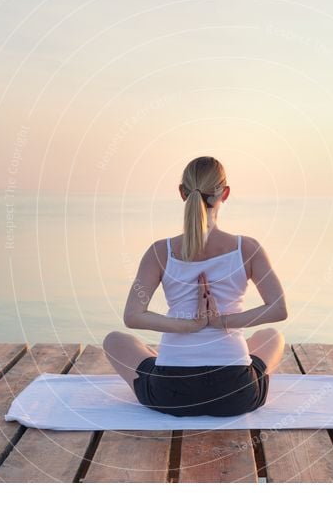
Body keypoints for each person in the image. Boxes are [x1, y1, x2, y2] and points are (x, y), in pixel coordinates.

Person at [103, 155, 287, 417]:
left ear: (182, 193)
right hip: (235, 394)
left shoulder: (160, 252)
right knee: (272, 336)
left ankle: (166, 358)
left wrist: (187, 326)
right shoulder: (247, 249)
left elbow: (132, 316)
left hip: (171, 394)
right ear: (225, 193)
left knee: (115, 340)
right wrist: (223, 321)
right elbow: (279, 309)